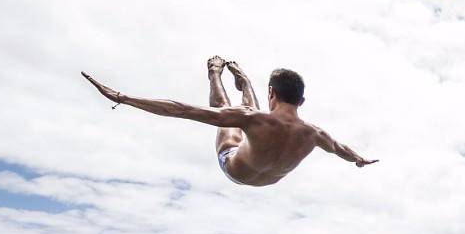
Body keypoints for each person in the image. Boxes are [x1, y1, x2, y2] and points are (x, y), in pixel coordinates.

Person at [82, 58, 378, 187]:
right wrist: (360, 160)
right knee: (246, 112)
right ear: (301, 101)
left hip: (233, 167)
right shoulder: (316, 135)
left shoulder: (253, 119)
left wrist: (123, 97)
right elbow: (341, 149)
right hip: (267, 182)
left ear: (271, 93)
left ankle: (214, 72)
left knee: (230, 111)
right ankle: (243, 78)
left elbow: (181, 110)